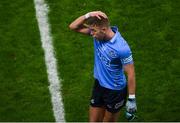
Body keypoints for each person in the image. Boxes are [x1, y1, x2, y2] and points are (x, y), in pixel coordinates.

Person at [69, 11, 137, 122]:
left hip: (115, 91)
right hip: (99, 85)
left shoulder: (121, 48)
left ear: (104, 30)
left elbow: (131, 73)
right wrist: (89, 14)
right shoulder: (97, 35)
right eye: (91, 30)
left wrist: (132, 99)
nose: (91, 34)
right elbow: (73, 27)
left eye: (93, 31)